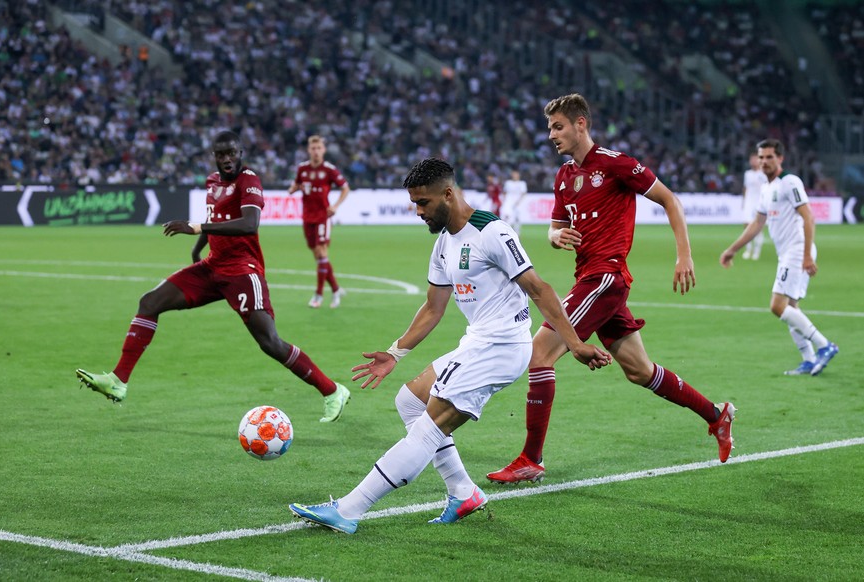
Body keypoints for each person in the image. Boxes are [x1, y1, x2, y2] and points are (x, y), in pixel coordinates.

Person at [288, 158, 611, 534]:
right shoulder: (443, 243)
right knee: (409, 401)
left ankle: (348, 509)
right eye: (414, 203)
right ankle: (463, 492)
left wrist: (572, 343)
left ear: (447, 193)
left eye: (423, 203)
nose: (418, 212)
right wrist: (395, 353)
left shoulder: (492, 232)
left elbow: (539, 289)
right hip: (477, 342)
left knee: (428, 429)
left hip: (502, 346)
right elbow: (432, 307)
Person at [487, 93, 737, 486]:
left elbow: (670, 200)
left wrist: (684, 256)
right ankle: (716, 414)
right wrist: (556, 237)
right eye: (550, 128)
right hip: (591, 279)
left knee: (539, 354)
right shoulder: (564, 176)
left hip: (604, 278)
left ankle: (529, 459)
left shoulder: (617, 164)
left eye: (558, 126)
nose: (552, 135)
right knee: (640, 372)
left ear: (580, 123)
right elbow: (553, 228)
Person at [76, 131, 351, 422]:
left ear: (240, 152)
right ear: (214, 157)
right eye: (221, 155)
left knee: (270, 342)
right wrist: (198, 249)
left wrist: (196, 229)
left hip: (243, 271)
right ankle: (119, 380)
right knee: (150, 302)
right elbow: (216, 219)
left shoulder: (249, 180)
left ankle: (332, 391)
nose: (227, 159)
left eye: (231, 153)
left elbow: (249, 223)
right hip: (212, 267)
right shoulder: (212, 181)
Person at [720, 138, 839, 376]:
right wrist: (733, 249)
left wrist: (806, 255)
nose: (764, 161)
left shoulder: (789, 182)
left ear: (780, 159)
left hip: (796, 251)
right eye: (761, 157)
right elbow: (757, 223)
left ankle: (825, 345)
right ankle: (808, 359)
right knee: (791, 308)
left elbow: (809, 217)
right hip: (787, 253)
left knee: (777, 306)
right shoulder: (766, 188)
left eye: (769, 157)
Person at [288, 135, 350, 308]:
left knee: (322, 254)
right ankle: (336, 289)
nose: (316, 151)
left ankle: (319, 295)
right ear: (309, 150)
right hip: (307, 218)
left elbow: (345, 188)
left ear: (323, 150)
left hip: (323, 217)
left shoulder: (329, 169)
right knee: (318, 256)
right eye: (313, 148)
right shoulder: (302, 169)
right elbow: (295, 184)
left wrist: (336, 206)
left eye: (319, 148)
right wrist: (293, 189)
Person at [741, 152, 768, 260]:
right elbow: (745, 188)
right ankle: (748, 249)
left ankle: (757, 251)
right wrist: (743, 201)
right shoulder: (747, 174)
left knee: (758, 227)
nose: (753, 161)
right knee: (746, 225)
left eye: (755, 159)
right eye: (751, 159)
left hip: (760, 203)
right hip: (749, 201)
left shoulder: (763, 174)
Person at [501, 169, 528, 234]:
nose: (514, 176)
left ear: (518, 175)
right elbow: (504, 192)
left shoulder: (522, 183)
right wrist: (505, 201)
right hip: (509, 202)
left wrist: (518, 202)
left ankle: (517, 233)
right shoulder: (508, 183)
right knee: (507, 217)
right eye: (513, 174)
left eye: (516, 174)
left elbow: (523, 193)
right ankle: (507, 232)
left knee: (517, 218)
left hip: (518, 203)